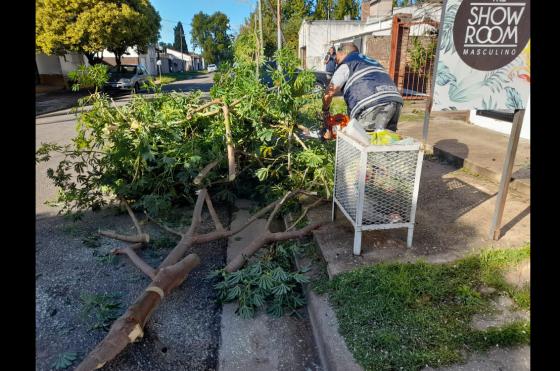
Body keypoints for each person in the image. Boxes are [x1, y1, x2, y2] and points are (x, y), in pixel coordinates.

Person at [321, 42, 403, 136]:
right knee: (384, 141)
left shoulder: (347, 63)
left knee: (362, 141)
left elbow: (329, 92)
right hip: (396, 101)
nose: (336, 60)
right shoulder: (371, 62)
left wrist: (325, 109)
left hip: (372, 105)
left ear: (342, 53)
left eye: (337, 57)